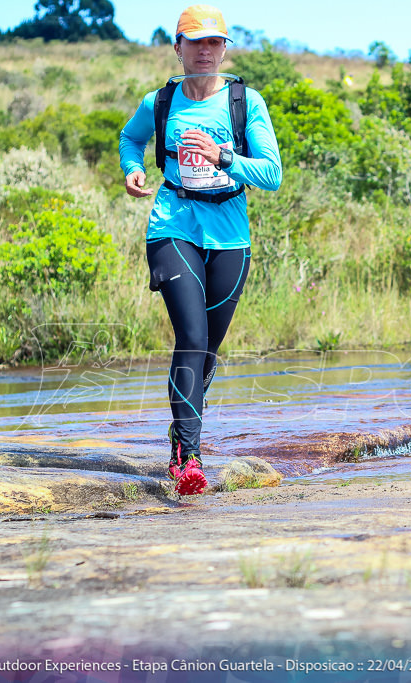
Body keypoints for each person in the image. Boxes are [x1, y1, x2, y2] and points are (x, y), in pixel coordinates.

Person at [119, 4, 282, 495]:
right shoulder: (160, 101)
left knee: (207, 348)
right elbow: (131, 137)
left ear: (224, 48)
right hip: (173, 224)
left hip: (230, 233)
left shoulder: (244, 101)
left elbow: (271, 175)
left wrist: (225, 156)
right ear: (178, 47)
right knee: (190, 336)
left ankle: (179, 432)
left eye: (215, 43)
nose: (206, 51)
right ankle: (188, 457)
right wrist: (133, 168)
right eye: (196, 42)